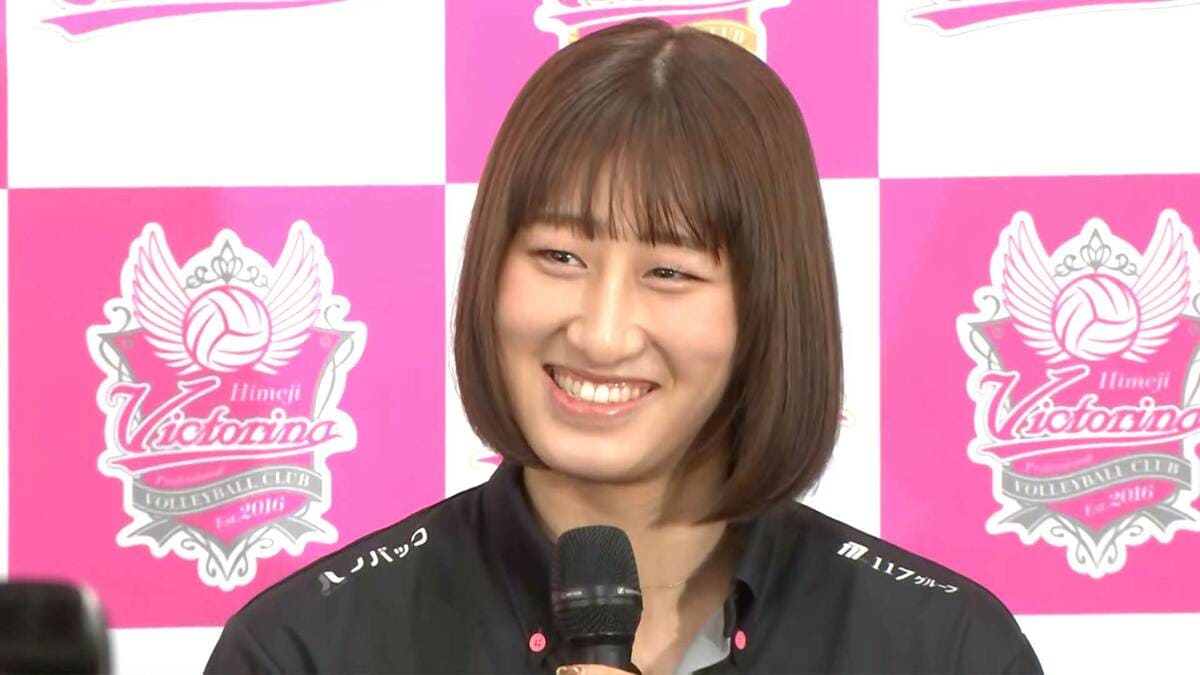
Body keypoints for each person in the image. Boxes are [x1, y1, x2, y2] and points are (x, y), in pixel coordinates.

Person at [204, 17, 1042, 675]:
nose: (601, 333)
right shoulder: (306, 649)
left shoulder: (944, 648)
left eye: (670, 272)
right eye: (559, 257)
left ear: (770, 307)